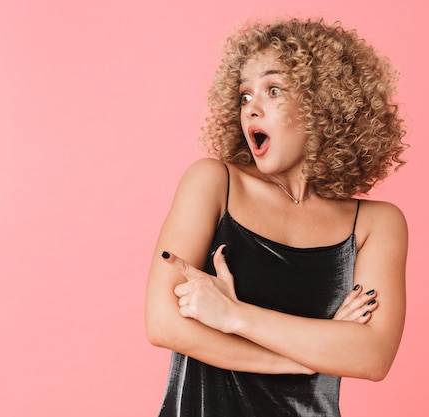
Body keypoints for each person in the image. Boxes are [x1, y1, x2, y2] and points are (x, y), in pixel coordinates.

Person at [145, 17, 408, 417]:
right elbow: (162, 323)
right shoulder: (213, 183)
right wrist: (308, 358)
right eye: (244, 96)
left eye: (273, 90)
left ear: (323, 104)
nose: (252, 109)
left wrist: (233, 316)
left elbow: (373, 357)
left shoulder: (376, 225)